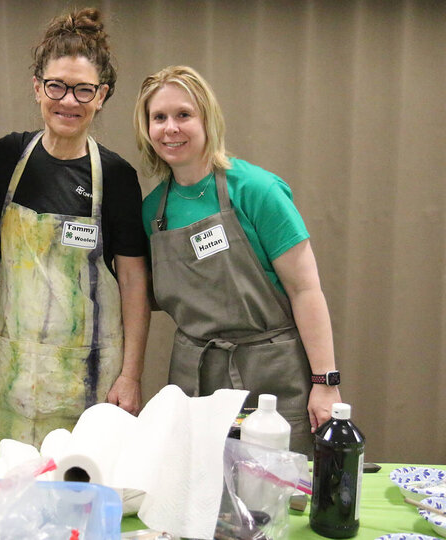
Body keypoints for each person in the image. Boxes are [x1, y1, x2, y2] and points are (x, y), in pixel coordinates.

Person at [0, 8, 150, 449]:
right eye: (57, 86)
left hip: (91, 379)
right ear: (38, 87)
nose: (69, 101)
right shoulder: (7, 158)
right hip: (12, 375)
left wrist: (131, 376)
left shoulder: (115, 176)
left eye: (84, 90)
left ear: (102, 95)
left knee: (79, 499)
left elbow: (134, 281)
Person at [134, 66, 341, 456]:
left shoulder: (257, 191)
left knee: (278, 495)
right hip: (195, 379)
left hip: (272, 376)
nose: (170, 128)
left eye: (183, 115)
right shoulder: (152, 213)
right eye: (158, 117)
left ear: (207, 119)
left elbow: (305, 289)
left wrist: (325, 382)